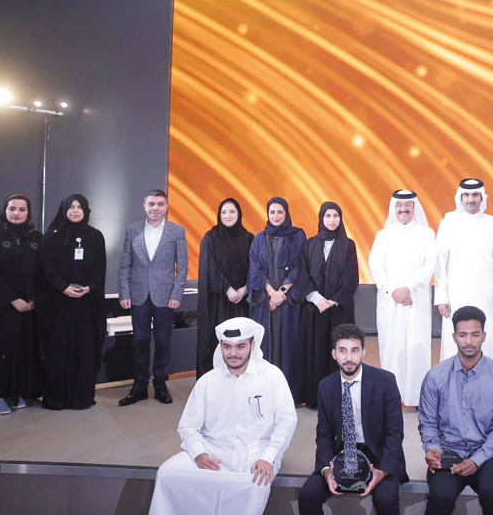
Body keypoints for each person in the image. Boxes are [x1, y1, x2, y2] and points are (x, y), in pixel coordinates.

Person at [148, 317, 297, 515]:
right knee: (167, 473)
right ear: (221, 347)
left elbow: (286, 422)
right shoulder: (208, 381)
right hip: (213, 452)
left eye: (240, 346)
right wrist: (199, 453)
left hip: (256, 453)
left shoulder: (272, 375)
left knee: (255, 485)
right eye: (227, 347)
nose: (233, 353)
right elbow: (188, 426)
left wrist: (268, 457)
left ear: (253, 346)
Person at [298, 324, 407, 515]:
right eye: (342, 351)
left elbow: (394, 432)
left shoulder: (385, 381)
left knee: (386, 500)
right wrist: (325, 470)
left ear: (363, 352)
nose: (349, 358)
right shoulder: (326, 386)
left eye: (355, 350)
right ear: (334, 354)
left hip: (378, 455)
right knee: (308, 494)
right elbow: (323, 435)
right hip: (342, 454)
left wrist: (383, 470)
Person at [419, 306, 493, 515]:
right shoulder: (436, 376)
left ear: (484, 336)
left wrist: (476, 460)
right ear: (454, 337)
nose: (469, 341)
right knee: (440, 497)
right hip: (448, 451)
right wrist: (432, 448)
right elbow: (427, 423)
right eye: (463, 335)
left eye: (475, 335)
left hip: (489, 454)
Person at [117, 188, 188, 406]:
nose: (155, 208)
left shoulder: (176, 231)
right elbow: (125, 264)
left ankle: (160, 385)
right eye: (151, 204)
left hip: (165, 296)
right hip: (138, 294)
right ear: (144, 206)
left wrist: (177, 293)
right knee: (140, 341)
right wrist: (124, 292)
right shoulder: (132, 230)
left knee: (163, 341)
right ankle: (138, 387)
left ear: (166, 206)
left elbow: (183, 266)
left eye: (160, 204)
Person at [37, 195, 107, 410]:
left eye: (79, 207)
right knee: (59, 349)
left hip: (86, 303)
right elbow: (46, 267)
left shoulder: (95, 236)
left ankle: (81, 397)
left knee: (85, 348)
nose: (75, 211)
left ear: (86, 210)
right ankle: (57, 398)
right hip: (59, 304)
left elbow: (100, 267)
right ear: (64, 209)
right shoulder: (51, 237)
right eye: (71, 207)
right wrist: (63, 287)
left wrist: (90, 287)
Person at [370, 189, 435, 407]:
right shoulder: (383, 235)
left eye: (408, 206)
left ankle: (417, 397)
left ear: (414, 208)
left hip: (417, 299)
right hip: (391, 302)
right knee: (392, 345)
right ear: (394, 209)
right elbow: (376, 268)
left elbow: (429, 266)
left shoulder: (427, 234)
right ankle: (392, 396)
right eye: (399, 206)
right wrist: (394, 291)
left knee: (417, 345)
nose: (404, 209)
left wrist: (409, 288)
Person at [294, 201, 359, 407]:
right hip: (315, 309)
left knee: (339, 351)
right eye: (328, 216)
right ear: (321, 219)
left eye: (335, 216)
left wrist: (334, 300)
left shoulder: (348, 245)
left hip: (338, 311)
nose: (332, 220)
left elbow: (351, 277)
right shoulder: (310, 244)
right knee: (314, 352)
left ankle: (339, 397)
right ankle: (314, 398)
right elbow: (303, 275)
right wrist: (316, 298)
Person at [435, 178, 493, 361]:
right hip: (456, 293)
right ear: (460, 197)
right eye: (466, 195)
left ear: (482, 198)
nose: (470, 199)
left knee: (486, 339)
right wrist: (442, 297)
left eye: (475, 195)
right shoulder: (448, 222)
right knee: (454, 339)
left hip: (486, 293)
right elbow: (440, 261)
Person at [248, 197, 306, 394]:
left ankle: (287, 393)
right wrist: (271, 293)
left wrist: (281, 293)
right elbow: (255, 267)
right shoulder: (259, 238)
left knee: (289, 344)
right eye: (272, 212)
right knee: (264, 344)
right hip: (265, 301)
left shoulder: (297, 235)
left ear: (286, 213)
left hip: (288, 302)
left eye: (280, 212)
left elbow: (299, 265)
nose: (276, 216)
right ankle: (264, 391)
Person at [0, 194, 41, 415]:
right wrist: (13, 299)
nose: (17, 213)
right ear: (5, 210)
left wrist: (35, 298)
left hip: (30, 307)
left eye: (22, 209)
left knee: (23, 351)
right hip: (1, 307)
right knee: (1, 352)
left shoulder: (35, 237)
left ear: (28, 212)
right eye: (12, 209)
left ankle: (16, 392)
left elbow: (42, 271)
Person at [196, 198, 253, 378]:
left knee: (241, 341)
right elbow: (209, 267)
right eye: (224, 212)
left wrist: (245, 289)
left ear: (239, 214)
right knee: (220, 341)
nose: (228, 216)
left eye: (232, 212)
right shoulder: (211, 238)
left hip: (242, 302)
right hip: (219, 302)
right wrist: (227, 288)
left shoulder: (249, 238)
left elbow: (255, 267)